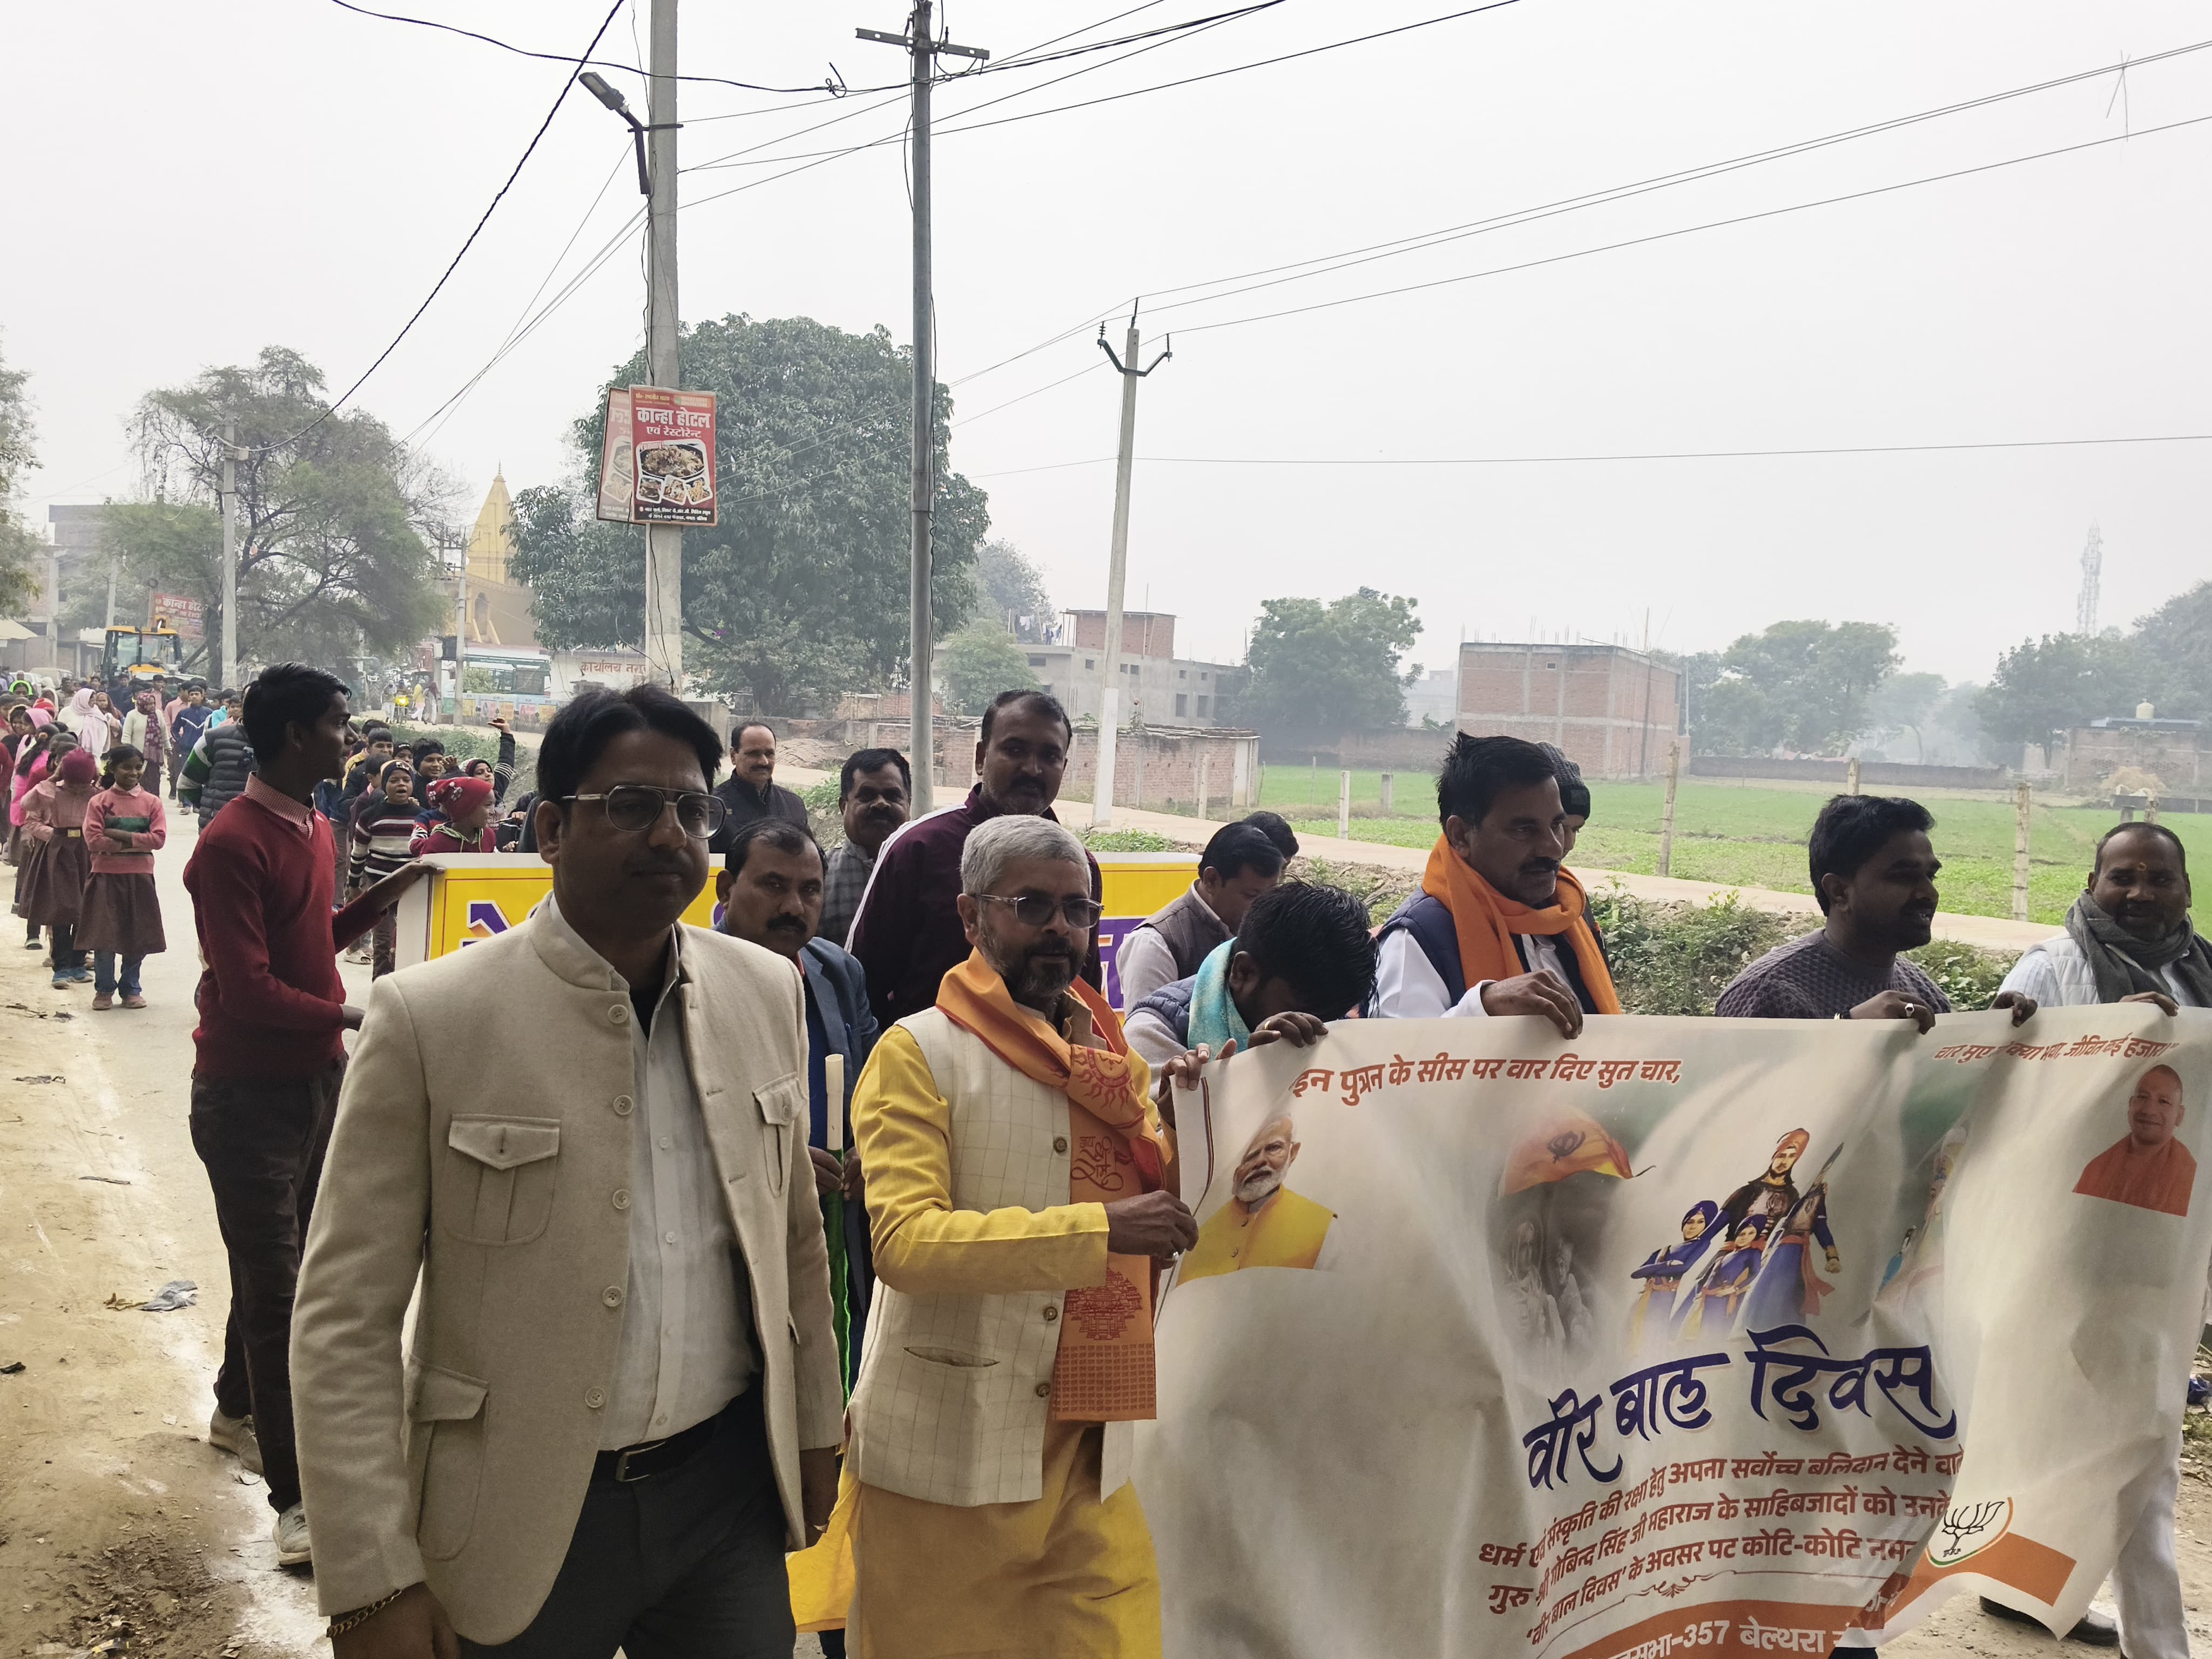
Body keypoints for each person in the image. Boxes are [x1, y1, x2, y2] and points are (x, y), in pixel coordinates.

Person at [293, 683, 841, 1657]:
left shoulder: (765, 990)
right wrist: (371, 1580)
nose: (669, 835)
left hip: (723, 1501)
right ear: (550, 828)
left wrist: (813, 1427)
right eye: (630, 805)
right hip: (515, 1517)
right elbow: (344, 1319)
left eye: (691, 809)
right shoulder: (432, 1019)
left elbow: (793, 1238)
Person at [846, 814, 1197, 1656]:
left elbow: (1175, 1201)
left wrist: (1241, 1091)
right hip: (952, 1449)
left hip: (1092, 1446)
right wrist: (1100, 1230)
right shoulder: (917, 1054)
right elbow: (906, 1244)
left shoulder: (1112, 1063)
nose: (1059, 929)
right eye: (1031, 905)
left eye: (1078, 910)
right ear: (971, 918)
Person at [180, 663, 429, 1568]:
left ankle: (233, 1408)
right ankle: (295, 1499)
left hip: (317, 1083)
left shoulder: (315, 827)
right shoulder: (228, 846)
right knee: (284, 1295)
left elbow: (311, 941)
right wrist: (358, 1015)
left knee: (276, 1267)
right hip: (247, 1098)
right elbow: (247, 990)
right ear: (294, 735)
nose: (348, 738)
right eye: (336, 723)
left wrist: (393, 892)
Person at [714, 818, 879, 1406]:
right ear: (726, 889)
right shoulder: (686, 978)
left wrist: (869, 1147)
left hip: (833, 1219)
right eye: (773, 886)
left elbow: (873, 1082)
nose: (794, 906)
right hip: (731, 1231)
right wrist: (774, 1161)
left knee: (831, 1372)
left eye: (810, 890)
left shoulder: (838, 971)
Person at [848, 689, 1103, 1026]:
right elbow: (860, 985)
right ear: (981, 757)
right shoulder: (919, 846)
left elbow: (1085, 995)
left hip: (1048, 1057)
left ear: (1064, 767)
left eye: (1050, 756)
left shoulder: (1080, 867)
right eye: (1015, 750)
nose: (1033, 769)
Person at [1367, 734, 1620, 1034]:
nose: (1553, 847)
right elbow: (1396, 1056)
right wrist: (1482, 1007)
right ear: (1461, 835)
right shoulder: (1418, 939)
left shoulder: (1569, 912)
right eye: (1525, 829)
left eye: (1556, 825)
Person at [1716, 794, 2033, 1030]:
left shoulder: (1924, 992)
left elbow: (1934, 1091)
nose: (1929, 894)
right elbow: (1735, 1097)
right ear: (1839, 892)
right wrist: (1847, 1027)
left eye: (1930, 876)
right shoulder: (1767, 993)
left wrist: (1991, 1034)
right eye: (1903, 877)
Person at [1124, 880, 1377, 1073]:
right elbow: (1155, 1127)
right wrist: (1251, 1078)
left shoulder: (1334, 1022)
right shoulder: (1155, 1037)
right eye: (1299, 1014)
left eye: (1333, 1019)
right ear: (1243, 973)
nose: (1316, 1033)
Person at [1115, 821, 1286, 1009]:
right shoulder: (1154, 944)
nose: (1263, 907)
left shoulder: (1261, 930)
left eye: (1271, 895)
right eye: (1251, 895)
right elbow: (1146, 1025)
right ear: (1211, 880)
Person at [1177, 1112, 1339, 1283]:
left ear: (1292, 1152)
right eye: (1250, 1156)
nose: (1260, 1161)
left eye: (1274, 1148)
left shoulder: (1324, 1228)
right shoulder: (1199, 1236)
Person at [79, 744, 167, 1011]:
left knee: (137, 935)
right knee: (104, 936)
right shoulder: (99, 802)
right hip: (105, 876)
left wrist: (118, 835)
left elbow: (158, 839)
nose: (133, 773)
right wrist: (138, 842)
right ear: (112, 769)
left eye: (138, 767)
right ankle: (104, 989)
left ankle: (131, 988)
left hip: (140, 877)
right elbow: (94, 841)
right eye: (126, 767)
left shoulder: (152, 803)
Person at [16, 746, 99, 988]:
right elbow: (28, 808)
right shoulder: (50, 792)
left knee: (85, 910)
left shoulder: (96, 795)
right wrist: (52, 780)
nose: (78, 789)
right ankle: (60, 967)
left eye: (83, 783)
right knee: (61, 911)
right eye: (73, 783)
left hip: (87, 852)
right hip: (58, 852)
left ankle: (78, 963)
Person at [819, 747, 911, 948]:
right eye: (867, 796)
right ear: (843, 806)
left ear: (908, 805)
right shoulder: (819, 876)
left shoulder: (929, 871)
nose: (881, 804)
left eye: (892, 796)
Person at [348, 760, 422, 977]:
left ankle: (403, 986)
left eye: (406, 780)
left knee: (410, 939)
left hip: (412, 887)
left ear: (413, 785)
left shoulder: (422, 817)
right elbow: (359, 852)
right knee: (383, 940)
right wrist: (354, 884)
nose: (401, 784)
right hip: (380, 886)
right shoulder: (370, 816)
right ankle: (380, 987)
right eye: (394, 780)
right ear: (384, 784)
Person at [706, 721, 810, 855]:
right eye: (753, 754)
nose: (764, 762)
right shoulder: (712, 807)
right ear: (733, 756)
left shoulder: (794, 805)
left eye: (769, 754)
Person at [179, 699, 257, 827]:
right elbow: (186, 784)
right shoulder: (213, 739)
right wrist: (209, 807)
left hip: (259, 830)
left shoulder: (284, 746)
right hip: (217, 827)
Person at [410, 774, 498, 855]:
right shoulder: (438, 842)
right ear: (465, 807)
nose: (493, 812)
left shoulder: (488, 836)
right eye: (488, 805)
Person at [119, 687, 168, 794]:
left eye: (154, 703)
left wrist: (168, 748)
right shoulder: (132, 715)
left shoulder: (158, 714)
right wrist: (129, 753)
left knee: (154, 783)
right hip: (137, 756)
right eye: (149, 704)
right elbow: (126, 736)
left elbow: (164, 732)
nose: (153, 706)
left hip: (154, 757)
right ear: (142, 704)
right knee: (139, 783)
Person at [170, 684, 213, 798]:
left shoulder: (209, 713)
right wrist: (180, 741)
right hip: (186, 749)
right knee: (185, 774)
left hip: (203, 749)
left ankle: (197, 802)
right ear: (189, 697)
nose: (194, 697)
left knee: (200, 775)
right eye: (192, 694)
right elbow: (174, 729)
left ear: (202, 696)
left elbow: (213, 729)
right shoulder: (183, 713)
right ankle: (185, 803)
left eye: (197, 694)